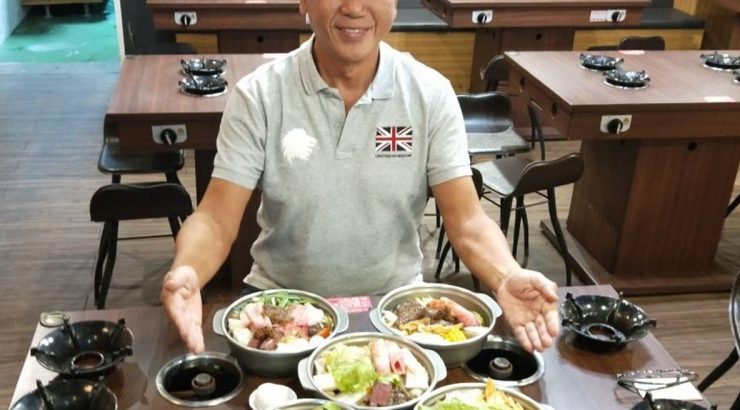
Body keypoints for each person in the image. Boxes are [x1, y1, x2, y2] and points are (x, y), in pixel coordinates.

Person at [161, 0, 560, 355]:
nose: (354, 8)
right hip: (279, 304)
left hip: (396, 309)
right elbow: (215, 219)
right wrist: (188, 271)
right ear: (303, 2)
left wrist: (506, 276)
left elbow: (467, 221)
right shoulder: (259, 95)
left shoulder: (430, 94)